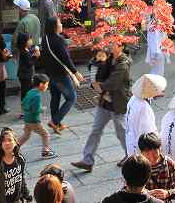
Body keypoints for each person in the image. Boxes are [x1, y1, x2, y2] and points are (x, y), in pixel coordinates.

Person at [72, 41, 131, 172]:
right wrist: (96, 59)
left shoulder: (123, 63)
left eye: (114, 44)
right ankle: (87, 160)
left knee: (121, 131)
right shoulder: (109, 58)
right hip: (104, 102)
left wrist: (100, 87)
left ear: (121, 47)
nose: (111, 46)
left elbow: (113, 83)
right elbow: (98, 71)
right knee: (95, 130)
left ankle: (131, 155)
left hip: (117, 102)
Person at [42, 16, 83, 133]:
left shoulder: (45, 39)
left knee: (55, 97)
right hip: (61, 74)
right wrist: (75, 72)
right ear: (55, 26)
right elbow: (66, 59)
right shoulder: (59, 40)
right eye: (59, 23)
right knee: (72, 98)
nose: (61, 24)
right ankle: (55, 121)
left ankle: (57, 124)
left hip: (51, 74)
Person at [0, 128, 32, 203]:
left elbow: (22, 179)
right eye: (3, 141)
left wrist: (27, 195)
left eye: (10, 140)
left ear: (15, 142)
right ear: (1, 145)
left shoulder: (20, 159)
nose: (7, 143)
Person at [126, 74, 166, 156]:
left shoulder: (133, 98)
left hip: (131, 141)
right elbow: (149, 130)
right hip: (141, 147)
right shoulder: (144, 107)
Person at [18, 74, 57, 159]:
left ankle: (14, 148)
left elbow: (23, 103)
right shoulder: (37, 96)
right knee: (45, 134)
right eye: (46, 84)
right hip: (34, 120)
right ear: (41, 85)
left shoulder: (30, 92)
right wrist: (42, 109)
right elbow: (35, 110)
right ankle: (46, 151)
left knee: (26, 135)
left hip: (27, 119)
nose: (47, 86)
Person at [139, 132, 175, 202]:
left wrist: (167, 193)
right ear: (141, 152)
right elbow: (128, 189)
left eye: (154, 153)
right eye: (147, 154)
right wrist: (146, 193)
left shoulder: (169, 164)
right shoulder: (137, 165)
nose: (151, 158)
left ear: (160, 149)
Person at [17, 33, 40, 113]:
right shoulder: (24, 52)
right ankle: (25, 110)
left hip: (26, 75)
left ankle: (29, 107)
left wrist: (35, 49)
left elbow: (31, 50)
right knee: (26, 93)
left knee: (28, 92)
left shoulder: (25, 50)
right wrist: (35, 56)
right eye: (29, 39)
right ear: (24, 42)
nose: (31, 41)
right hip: (25, 76)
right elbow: (29, 63)